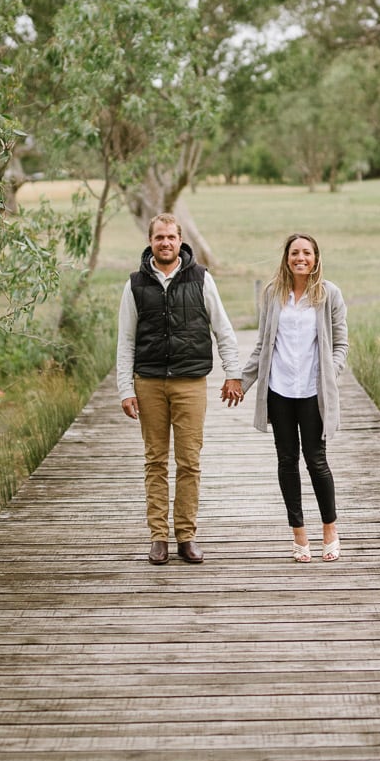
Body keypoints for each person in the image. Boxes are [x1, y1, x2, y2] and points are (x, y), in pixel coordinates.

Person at [117, 213, 244, 565]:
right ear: (151, 242)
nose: (165, 243)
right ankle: (158, 537)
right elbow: (125, 341)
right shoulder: (135, 285)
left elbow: (223, 330)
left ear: (180, 240)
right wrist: (125, 389)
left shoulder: (201, 279)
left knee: (189, 462)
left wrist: (233, 374)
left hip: (190, 383)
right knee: (155, 461)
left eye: (171, 237)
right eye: (159, 238)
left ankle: (186, 536)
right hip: (149, 383)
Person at [235, 233, 348, 562]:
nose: (301, 258)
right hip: (280, 391)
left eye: (307, 253)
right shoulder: (273, 294)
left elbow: (340, 343)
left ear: (316, 258)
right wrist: (241, 382)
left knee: (316, 461)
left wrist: (331, 372)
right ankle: (299, 534)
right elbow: (262, 345)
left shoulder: (329, 294)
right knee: (287, 461)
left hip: (313, 393)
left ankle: (330, 529)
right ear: (286, 258)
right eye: (295, 252)